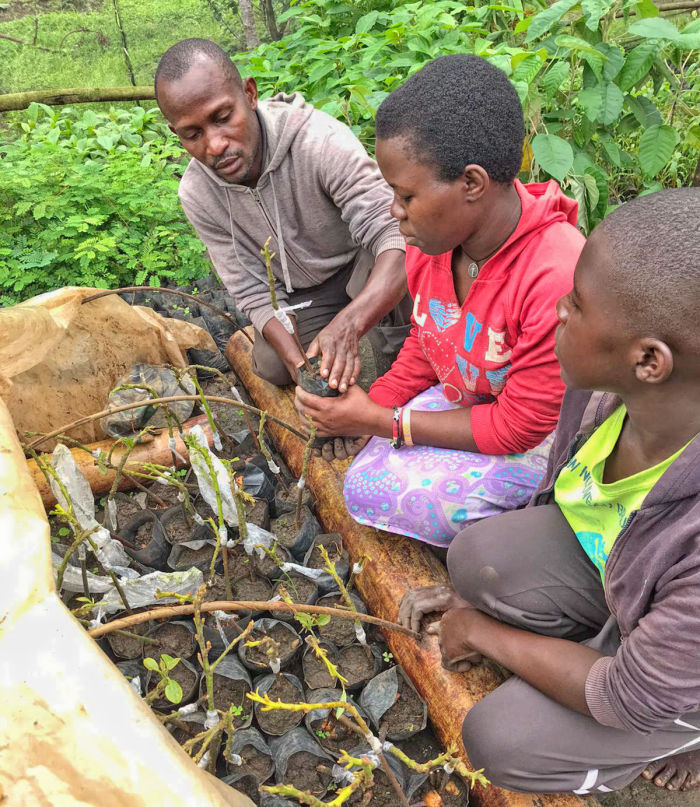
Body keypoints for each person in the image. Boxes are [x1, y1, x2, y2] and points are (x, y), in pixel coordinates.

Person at [400, 188, 700, 794]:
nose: (559, 310)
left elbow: (626, 694)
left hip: (675, 666)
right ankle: (610, 642)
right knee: (476, 559)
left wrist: (485, 632)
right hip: (630, 578)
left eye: (579, 304)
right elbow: (557, 501)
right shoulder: (601, 394)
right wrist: (479, 604)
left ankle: (688, 728)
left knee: (502, 744)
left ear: (649, 360)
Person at [295, 54, 585, 546]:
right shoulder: (432, 246)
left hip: (545, 435)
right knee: (365, 480)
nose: (395, 211)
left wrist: (382, 421)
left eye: (406, 196)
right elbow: (429, 344)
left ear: (471, 183)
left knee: (420, 503)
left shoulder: (554, 274)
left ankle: (537, 531)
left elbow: (519, 427)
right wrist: (368, 407)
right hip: (474, 401)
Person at [154, 38, 410, 396]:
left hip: (362, 264)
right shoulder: (197, 193)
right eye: (192, 134)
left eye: (223, 118)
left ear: (249, 94)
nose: (214, 145)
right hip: (307, 296)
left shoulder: (318, 141)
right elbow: (252, 292)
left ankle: (398, 345)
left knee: (413, 290)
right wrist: (301, 370)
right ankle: (378, 349)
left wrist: (350, 324)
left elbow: (395, 235)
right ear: (176, 133)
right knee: (274, 364)